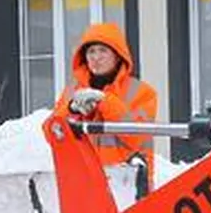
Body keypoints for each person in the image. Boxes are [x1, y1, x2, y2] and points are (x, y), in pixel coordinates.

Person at [54, 22, 160, 176]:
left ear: (117, 56)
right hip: (84, 183)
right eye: (91, 51)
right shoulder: (72, 91)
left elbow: (137, 136)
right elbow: (52, 134)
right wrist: (71, 109)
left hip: (129, 185)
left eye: (103, 51)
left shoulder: (142, 92)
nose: (96, 57)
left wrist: (105, 101)